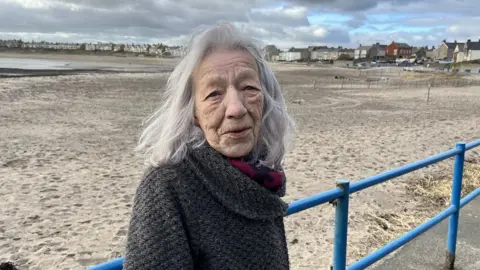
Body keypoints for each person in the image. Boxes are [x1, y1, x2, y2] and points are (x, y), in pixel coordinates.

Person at [123, 22, 295, 269]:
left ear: (266, 101)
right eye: (214, 94)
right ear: (193, 113)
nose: (236, 108)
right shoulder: (168, 187)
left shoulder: (264, 175)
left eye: (249, 88)